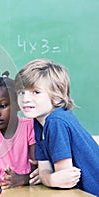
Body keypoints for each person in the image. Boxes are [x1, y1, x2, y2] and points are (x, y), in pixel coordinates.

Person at [14, 59, 99, 195]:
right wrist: (49, 178)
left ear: (57, 97)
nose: (25, 99)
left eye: (36, 92)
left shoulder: (56, 121)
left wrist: (50, 179)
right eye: (21, 92)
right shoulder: (39, 122)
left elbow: (65, 181)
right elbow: (45, 171)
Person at [0, 69, 39, 189]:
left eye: (3, 106)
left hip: (28, 191)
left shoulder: (30, 126)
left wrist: (21, 179)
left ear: (18, 104)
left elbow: (36, 171)